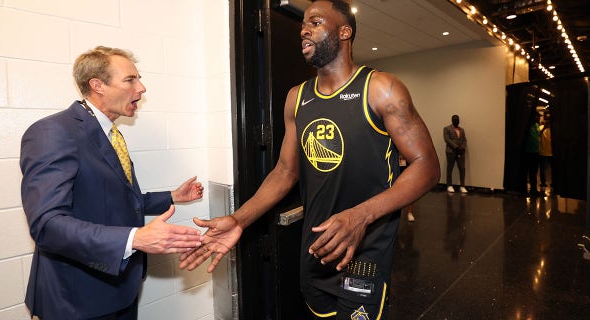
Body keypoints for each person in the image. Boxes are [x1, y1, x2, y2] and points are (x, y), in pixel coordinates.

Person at [179, 1, 440, 319]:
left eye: (315, 22)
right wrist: (239, 220)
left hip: (364, 251)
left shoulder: (381, 89)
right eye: (303, 23)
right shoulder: (297, 98)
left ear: (345, 32)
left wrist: (361, 215)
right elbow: (285, 171)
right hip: (315, 251)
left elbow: (426, 165)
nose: (304, 29)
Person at [20, 46, 206, 320]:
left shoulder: (110, 133)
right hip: (77, 300)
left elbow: (115, 199)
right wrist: (135, 238)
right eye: (130, 80)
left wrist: (173, 196)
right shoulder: (53, 132)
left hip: (120, 289)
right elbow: (47, 225)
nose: (141, 88)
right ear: (98, 85)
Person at [443, 115, 467, 193]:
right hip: (451, 151)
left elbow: (464, 140)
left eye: (457, 119)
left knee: (462, 169)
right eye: (455, 119)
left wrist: (462, 148)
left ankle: (462, 186)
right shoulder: (447, 128)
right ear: (452, 120)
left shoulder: (462, 130)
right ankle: (449, 185)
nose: (456, 120)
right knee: (450, 168)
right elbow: (447, 139)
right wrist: (456, 147)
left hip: (461, 152)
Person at [522, 112, 541, 196]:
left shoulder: (537, 125)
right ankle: (524, 189)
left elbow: (538, 135)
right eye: (537, 116)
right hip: (527, 152)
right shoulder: (526, 126)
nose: (539, 118)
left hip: (536, 152)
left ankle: (533, 190)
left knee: (534, 172)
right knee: (525, 171)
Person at [538, 114, 552, 194]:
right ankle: (543, 183)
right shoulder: (541, 128)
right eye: (547, 119)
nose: (548, 121)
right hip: (543, 152)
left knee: (553, 170)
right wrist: (544, 128)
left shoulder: (555, 129)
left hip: (551, 153)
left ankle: (553, 183)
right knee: (543, 169)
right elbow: (538, 135)